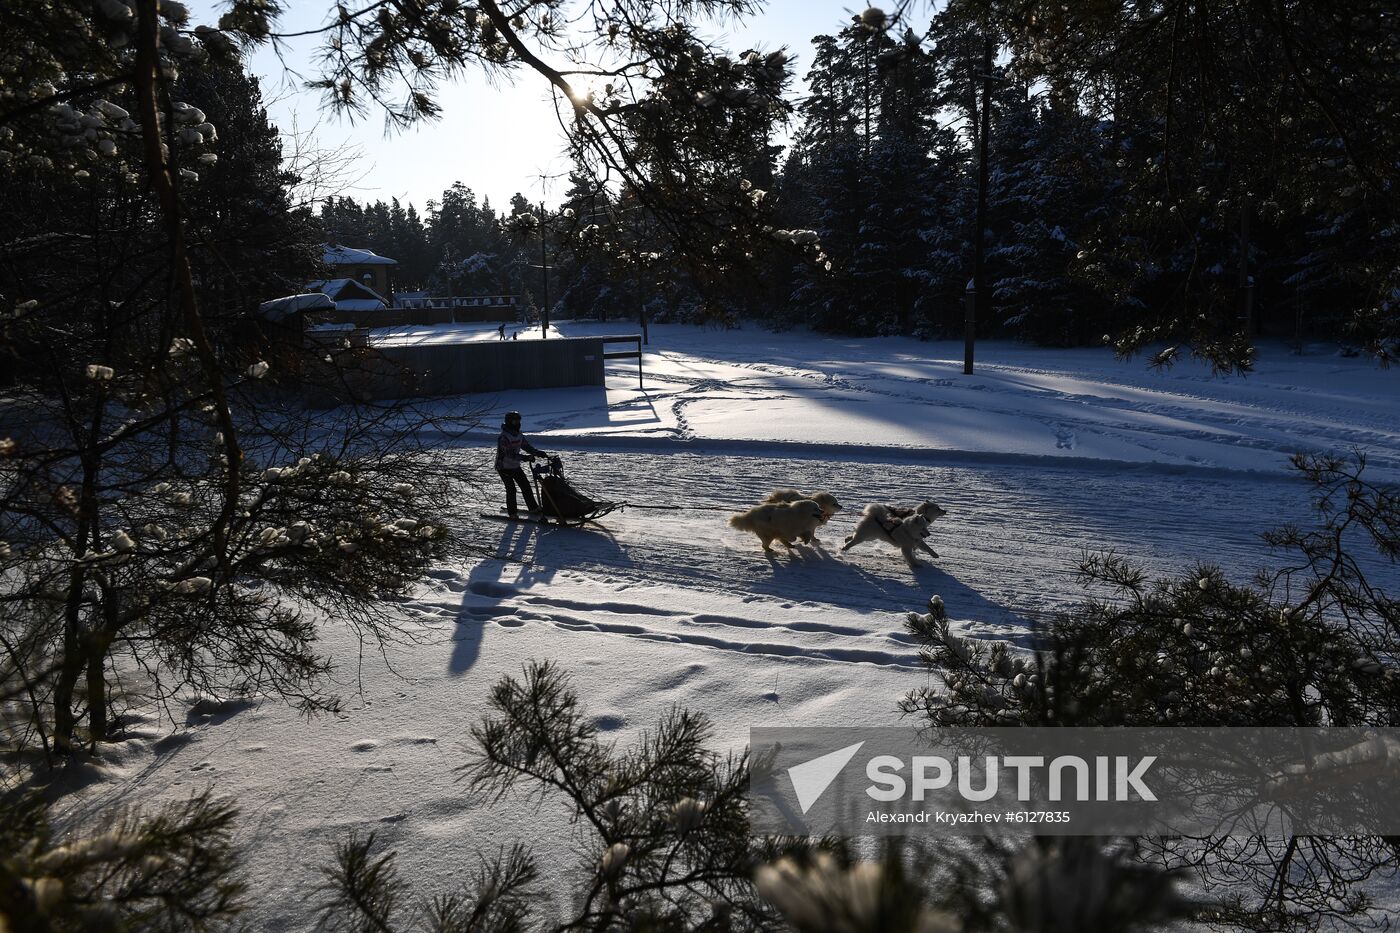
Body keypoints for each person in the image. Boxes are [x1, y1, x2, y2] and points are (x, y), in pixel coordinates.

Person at [495, 411, 546, 518]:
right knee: (511, 489)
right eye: (515, 421)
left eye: (519, 421)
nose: (518, 423)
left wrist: (536, 452)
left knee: (526, 486)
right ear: (509, 422)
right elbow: (509, 454)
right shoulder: (504, 437)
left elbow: (526, 446)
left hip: (514, 466)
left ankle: (533, 508)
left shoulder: (518, 435)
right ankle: (512, 513)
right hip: (503, 467)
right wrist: (525, 458)